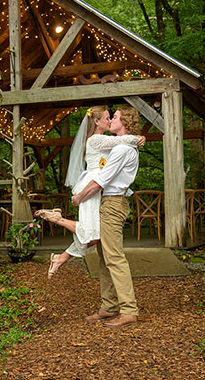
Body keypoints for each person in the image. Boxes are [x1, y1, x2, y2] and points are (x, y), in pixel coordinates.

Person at [36, 106, 144, 279]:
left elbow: (118, 148)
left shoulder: (103, 139)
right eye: (108, 118)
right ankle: (57, 219)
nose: (110, 121)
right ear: (96, 121)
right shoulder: (95, 139)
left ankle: (60, 257)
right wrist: (136, 138)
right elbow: (120, 141)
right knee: (91, 234)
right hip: (92, 186)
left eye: (112, 118)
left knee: (95, 236)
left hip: (99, 188)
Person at [71, 106, 142, 327]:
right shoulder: (120, 147)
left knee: (114, 257)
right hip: (106, 203)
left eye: (116, 117)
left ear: (126, 122)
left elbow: (102, 180)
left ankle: (129, 310)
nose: (111, 120)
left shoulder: (122, 150)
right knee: (104, 257)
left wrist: (80, 196)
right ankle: (109, 306)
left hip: (112, 203)